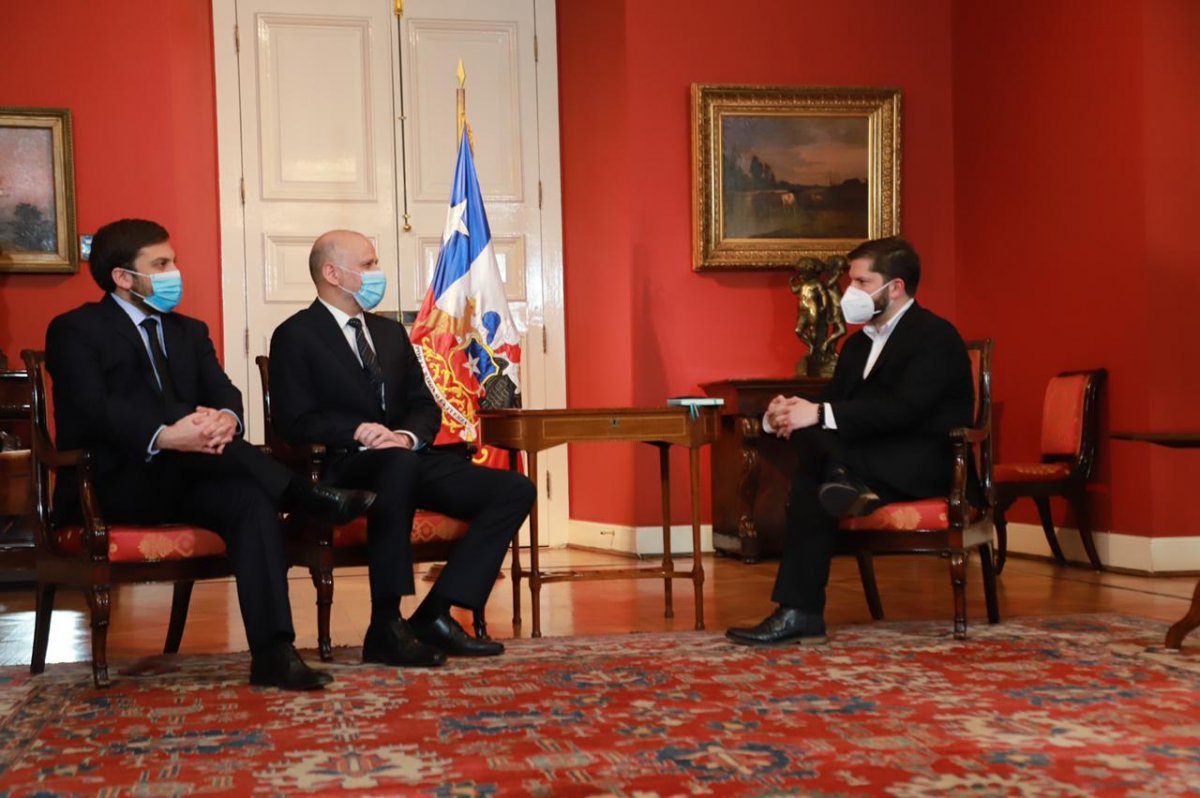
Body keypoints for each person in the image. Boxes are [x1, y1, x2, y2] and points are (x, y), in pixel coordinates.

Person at [45, 218, 376, 690]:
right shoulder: (76, 329)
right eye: (160, 264)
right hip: (113, 483)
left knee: (250, 500)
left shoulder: (188, 332)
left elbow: (225, 391)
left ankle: (273, 653)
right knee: (218, 453)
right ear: (122, 277)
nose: (174, 271)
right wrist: (165, 435)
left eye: (173, 260)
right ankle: (303, 492)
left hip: (191, 477)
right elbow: (91, 409)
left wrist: (225, 419)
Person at [268, 229, 536, 667]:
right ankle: (386, 623)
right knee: (394, 465)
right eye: (369, 264)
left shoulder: (391, 334)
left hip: (405, 457)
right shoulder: (295, 335)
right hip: (342, 469)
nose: (379, 273)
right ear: (333, 273)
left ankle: (435, 612)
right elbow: (293, 420)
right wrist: (359, 430)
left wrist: (407, 437)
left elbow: (423, 406)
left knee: (514, 490)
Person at [726, 236, 975, 646]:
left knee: (814, 469)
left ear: (894, 287)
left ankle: (799, 611)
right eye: (851, 281)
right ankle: (841, 485)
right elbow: (837, 404)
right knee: (815, 479)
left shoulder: (935, 336)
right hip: (870, 458)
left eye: (861, 281)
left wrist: (817, 414)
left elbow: (904, 411)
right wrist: (783, 414)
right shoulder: (857, 344)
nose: (850, 292)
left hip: (921, 460)